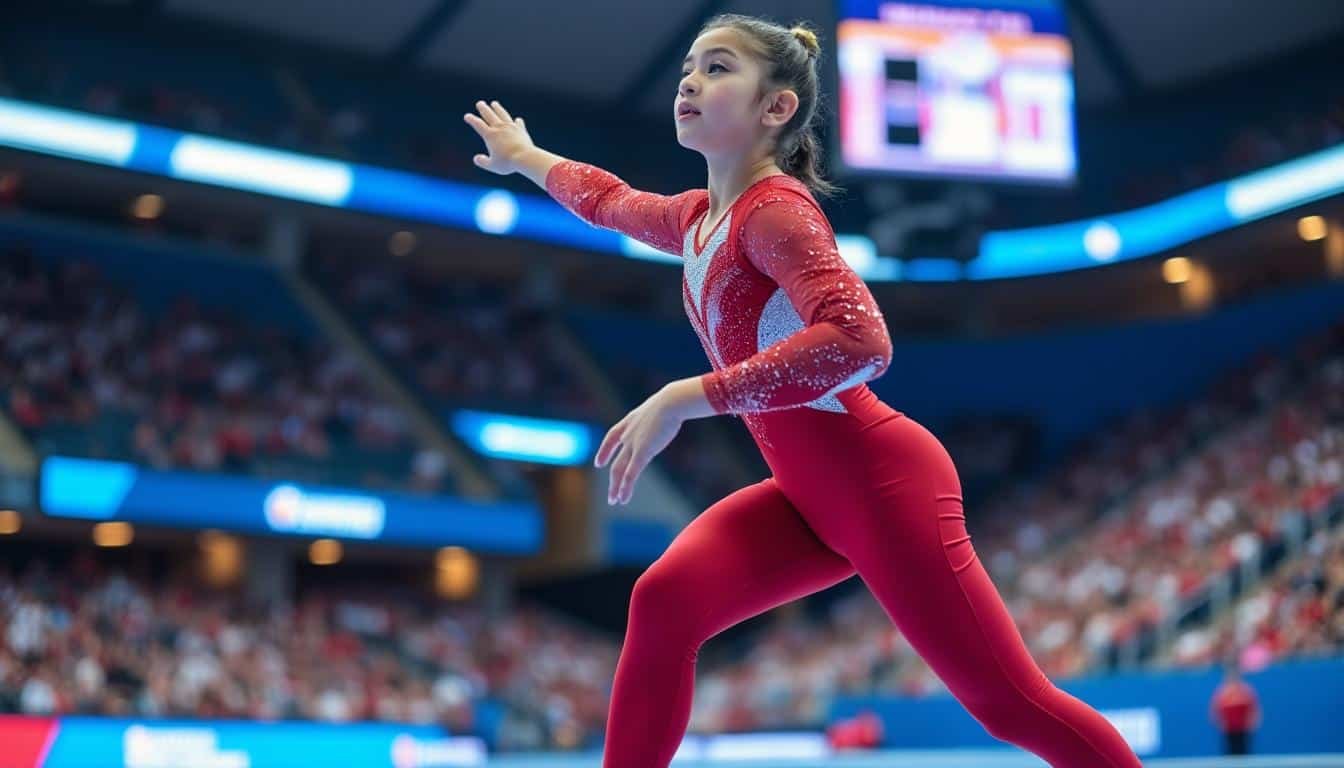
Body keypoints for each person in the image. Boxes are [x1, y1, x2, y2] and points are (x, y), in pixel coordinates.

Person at [464, 13, 1143, 768]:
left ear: (776, 107)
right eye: (689, 66)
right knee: (662, 603)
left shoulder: (776, 214)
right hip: (807, 498)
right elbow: (608, 199)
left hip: (883, 484)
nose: (690, 79)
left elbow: (861, 342)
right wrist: (525, 156)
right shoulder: (699, 219)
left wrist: (688, 395)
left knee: (1010, 706)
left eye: (719, 68)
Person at [1211, 661, 1261, 755]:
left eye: (1235, 674)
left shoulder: (1246, 690)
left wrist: (1253, 722)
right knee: (1230, 753)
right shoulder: (1222, 692)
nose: (1232, 677)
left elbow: (1255, 709)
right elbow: (1214, 710)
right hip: (1229, 730)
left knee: (1244, 752)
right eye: (1230, 675)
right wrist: (1220, 723)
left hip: (1243, 729)